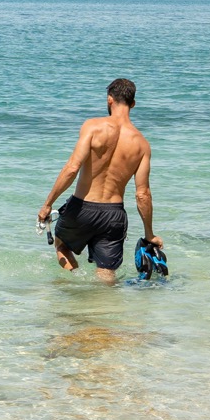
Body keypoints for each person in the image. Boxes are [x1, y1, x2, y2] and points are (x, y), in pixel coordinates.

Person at [37, 78, 161, 283]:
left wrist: (47, 204)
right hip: (113, 215)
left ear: (109, 99)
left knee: (61, 244)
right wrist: (150, 234)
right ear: (133, 104)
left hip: (82, 208)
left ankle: (76, 278)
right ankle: (103, 309)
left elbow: (72, 168)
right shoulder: (142, 145)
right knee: (106, 272)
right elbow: (142, 194)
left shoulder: (93, 127)